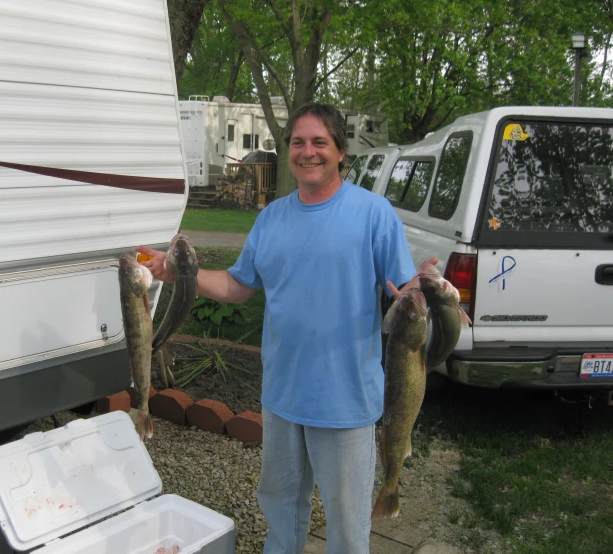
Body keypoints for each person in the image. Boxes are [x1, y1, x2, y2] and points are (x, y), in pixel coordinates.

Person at [137, 103, 430, 553]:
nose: (307, 152)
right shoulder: (272, 217)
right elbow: (238, 284)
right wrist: (181, 275)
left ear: (340, 153)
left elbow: (402, 290)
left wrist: (425, 286)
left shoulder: (373, 214)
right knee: (281, 516)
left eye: (319, 142)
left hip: (346, 402)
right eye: (298, 142)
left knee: (349, 531)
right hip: (282, 397)